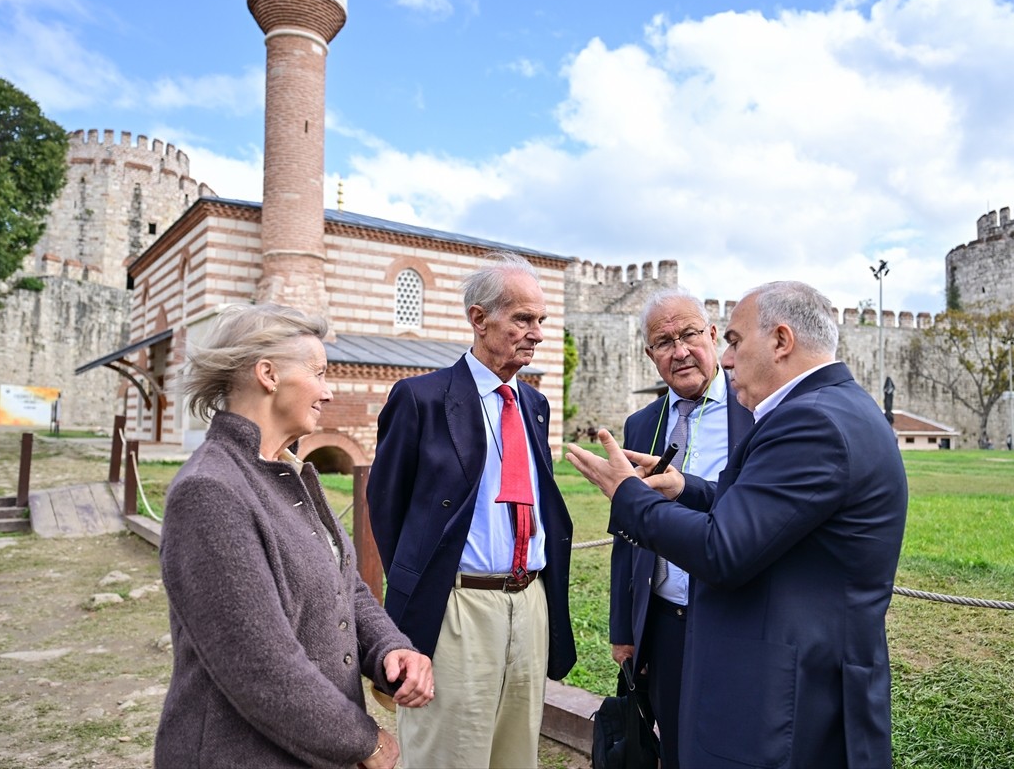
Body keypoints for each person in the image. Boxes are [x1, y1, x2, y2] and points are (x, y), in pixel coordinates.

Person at [568, 281, 908, 768]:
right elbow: (763, 512)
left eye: (733, 341)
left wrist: (629, 495)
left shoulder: (811, 423)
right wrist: (685, 488)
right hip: (788, 668)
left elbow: (722, 550)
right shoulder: (835, 407)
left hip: (791, 687)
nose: (726, 360)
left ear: (781, 341)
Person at [155, 303, 433, 769]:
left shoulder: (286, 471)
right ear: (268, 374)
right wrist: (362, 741)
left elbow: (345, 586)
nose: (327, 391)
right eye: (319, 372)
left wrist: (391, 648)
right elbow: (259, 666)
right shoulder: (210, 490)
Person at [367, 252, 576, 768]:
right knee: (448, 754)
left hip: (530, 603)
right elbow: (386, 508)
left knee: (515, 754)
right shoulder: (420, 399)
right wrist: (426, 586)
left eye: (541, 321)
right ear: (479, 319)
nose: (537, 333)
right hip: (457, 606)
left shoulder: (533, 405)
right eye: (523, 319)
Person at [609, 287, 752, 769]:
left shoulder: (752, 409)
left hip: (735, 612)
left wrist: (685, 488)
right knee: (673, 745)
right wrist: (623, 628)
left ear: (712, 335)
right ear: (651, 355)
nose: (680, 351)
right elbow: (626, 534)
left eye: (689, 334)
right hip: (665, 621)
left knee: (732, 745)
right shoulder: (641, 423)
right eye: (664, 342)